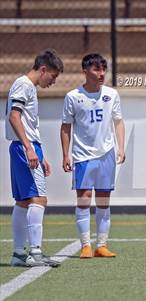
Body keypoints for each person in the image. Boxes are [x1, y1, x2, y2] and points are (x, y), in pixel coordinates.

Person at [60, 53, 125, 259]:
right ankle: (86, 245)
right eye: (97, 69)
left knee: (104, 201)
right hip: (82, 156)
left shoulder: (112, 94)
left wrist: (121, 148)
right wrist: (65, 155)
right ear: (85, 71)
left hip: (106, 154)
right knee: (84, 200)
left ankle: (102, 245)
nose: (101, 74)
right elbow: (65, 127)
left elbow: (118, 122)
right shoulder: (73, 96)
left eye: (103, 69)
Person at [6, 49, 64, 267]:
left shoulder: (24, 86)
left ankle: (19, 254)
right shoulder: (24, 85)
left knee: (22, 201)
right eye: (53, 76)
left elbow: (26, 122)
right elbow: (14, 116)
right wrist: (30, 149)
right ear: (43, 69)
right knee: (39, 199)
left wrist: (40, 154)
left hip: (24, 147)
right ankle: (35, 253)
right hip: (24, 148)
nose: (53, 81)